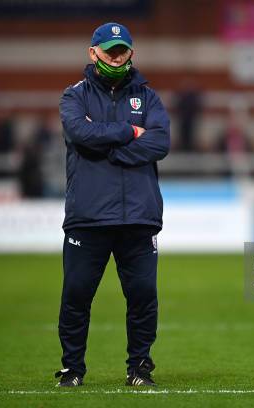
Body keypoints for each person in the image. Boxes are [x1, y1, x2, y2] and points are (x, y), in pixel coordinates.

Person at [55, 22, 170, 388]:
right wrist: (128, 131)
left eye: (123, 51)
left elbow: (160, 143)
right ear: (93, 53)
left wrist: (108, 149)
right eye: (110, 51)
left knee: (142, 297)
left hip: (138, 216)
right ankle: (72, 369)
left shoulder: (149, 97)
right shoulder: (74, 96)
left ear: (131, 53)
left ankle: (139, 368)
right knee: (76, 295)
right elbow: (80, 134)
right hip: (88, 217)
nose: (117, 57)